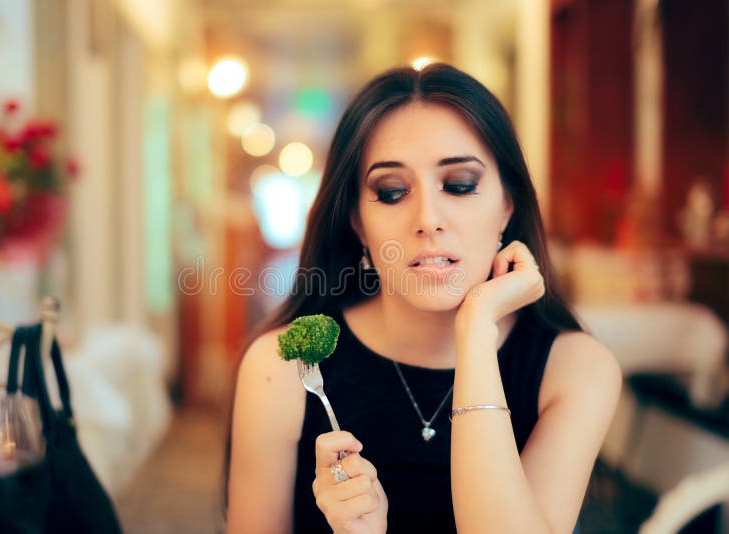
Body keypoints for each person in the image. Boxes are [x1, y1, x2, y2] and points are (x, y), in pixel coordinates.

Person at [226, 63, 621, 533]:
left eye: (459, 185)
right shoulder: (282, 368)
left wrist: (476, 329)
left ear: (507, 207)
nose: (428, 219)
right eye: (392, 192)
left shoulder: (576, 370)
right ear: (357, 222)